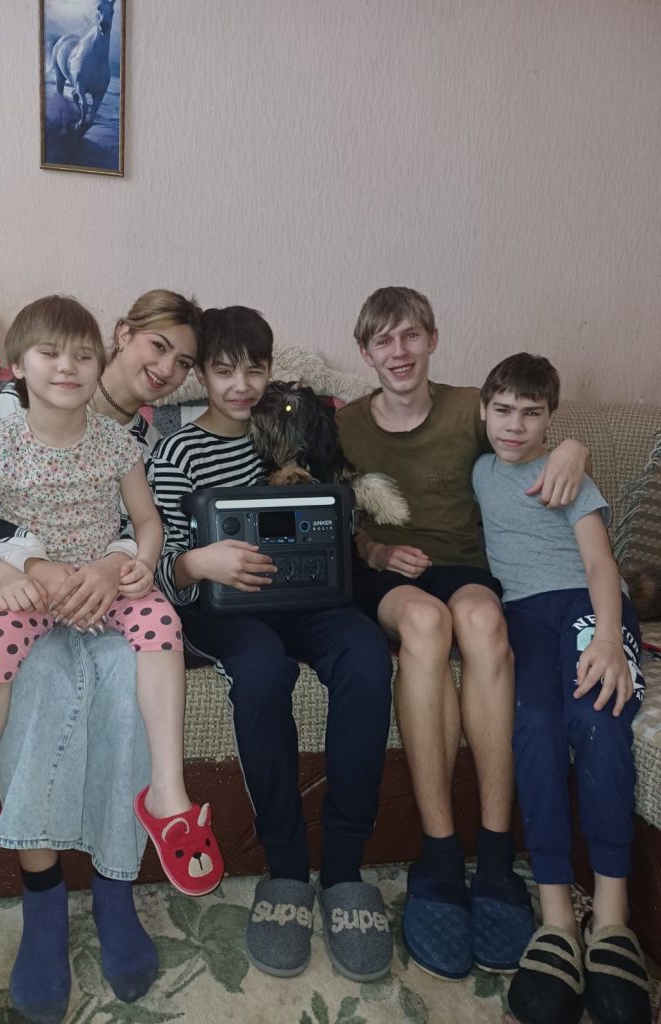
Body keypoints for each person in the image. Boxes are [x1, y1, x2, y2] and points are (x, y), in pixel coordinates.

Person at [0, 289, 203, 1024]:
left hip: (106, 589)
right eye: (51, 354)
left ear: (100, 358)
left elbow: (147, 522)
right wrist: (19, 572)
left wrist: (128, 564)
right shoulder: (5, 430)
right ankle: (21, 873)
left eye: (82, 356)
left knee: (138, 659)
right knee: (25, 666)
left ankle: (134, 856)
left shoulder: (124, 440)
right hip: (24, 590)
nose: (68, 367)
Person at [336, 287, 589, 982]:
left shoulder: (468, 409)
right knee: (425, 621)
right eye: (383, 341)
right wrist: (378, 552)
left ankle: (497, 854)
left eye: (411, 336)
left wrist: (574, 445)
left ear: (433, 339)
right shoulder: (345, 424)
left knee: (480, 619)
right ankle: (441, 854)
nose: (399, 352)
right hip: (389, 577)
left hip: (467, 568)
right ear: (365, 353)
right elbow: (328, 515)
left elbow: (529, 441)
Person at [150, 306, 395, 983]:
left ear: (269, 369)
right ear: (201, 374)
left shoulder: (285, 433)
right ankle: (285, 866)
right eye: (224, 370)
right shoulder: (175, 452)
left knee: (366, 654)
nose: (241, 385)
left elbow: (332, 507)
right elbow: (158, 566)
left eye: (254, 369)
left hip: (309, 600)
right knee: (260, 669)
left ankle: (343, 869)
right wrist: (199, 563)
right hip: (224, 612)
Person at [473, 353, 650, 1024]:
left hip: (586, 606)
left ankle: (612, 919)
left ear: (550, 419)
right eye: (502, 411)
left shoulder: (568, 474)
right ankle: (556, 919)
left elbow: (601, 562)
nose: (514, 426)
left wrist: (607, 637)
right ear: (483, 412)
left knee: (598, 717)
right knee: (533, 727)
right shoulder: (479, 469)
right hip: (523, 616)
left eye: (531, 414)